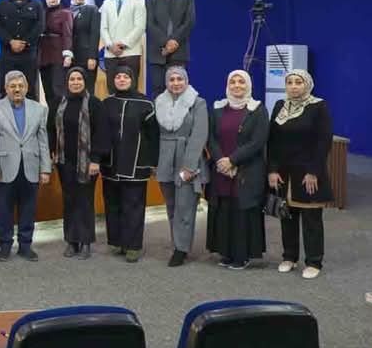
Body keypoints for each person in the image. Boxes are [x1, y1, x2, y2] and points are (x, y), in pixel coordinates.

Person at [268, 69, 333, 280]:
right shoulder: (280, 106)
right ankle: (289, 256)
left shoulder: (318, 106)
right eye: (290, 82)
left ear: (307, 85)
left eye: (298, 82)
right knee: (287, 215)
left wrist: (313, 171)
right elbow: (273, 141)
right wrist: (272, 169)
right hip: (284, 172)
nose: (294, 86)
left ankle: (314, 261)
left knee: (311, 218)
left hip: (308, 172)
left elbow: (323, 142)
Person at [206, 70, 268, 271]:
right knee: (224, 209)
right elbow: (211, 138)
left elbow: (258, 141)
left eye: (241, 82)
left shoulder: (258, 110)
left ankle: (242, 255)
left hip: (247, 170)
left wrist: (233, 160)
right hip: (221, 170)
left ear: (248, 85)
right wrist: (221, 161)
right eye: (233, 82)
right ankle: (226, 252)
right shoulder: (217, 109)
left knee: (243, 211)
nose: (237, 85)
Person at [0, 70, 51, 262]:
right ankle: (5, 246)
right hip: (5, 168)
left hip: (31, 167)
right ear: (6, 88)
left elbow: (43, 141)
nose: (17, 89)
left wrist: (45, 168)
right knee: (4, 210)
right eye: (13, 86)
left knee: (28, 210)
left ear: (27, 88)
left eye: (20, 86)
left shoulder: (39, 109)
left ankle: (25, 246)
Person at [101, 66, 158, 262]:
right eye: (118, 76)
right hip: (111, 164)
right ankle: (117, 241)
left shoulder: (146, 104)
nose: (122, 79)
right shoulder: (107, 103)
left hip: (136, 164)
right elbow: (101, 133)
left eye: (126, 76)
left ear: (133, 79)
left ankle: (133, 246)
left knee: (133, 206)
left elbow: (153, 137)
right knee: (113, 203)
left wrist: (152, 163)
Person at [50, 67, 108, 260]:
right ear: (67, 82)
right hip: (64, 161)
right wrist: (51, 151)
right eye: (72, 79)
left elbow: (101, 134)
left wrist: (96, 160)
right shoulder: (58, 103)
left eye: (79, 79)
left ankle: (86, 242)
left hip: (87, 163)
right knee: (69, 201)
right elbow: (51, 129)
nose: (75, 82)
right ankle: (71, 241)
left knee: (85, 201)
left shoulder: (94, 103)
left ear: (85, 82)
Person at [155, 66, 208, 267]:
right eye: (172, 79)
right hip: (165, 160)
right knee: (171, 206)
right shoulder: (159, 102)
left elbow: (199, 135)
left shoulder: (198, 103)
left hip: (186, 158)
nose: (176, 83)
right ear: (166, 82)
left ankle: (181, 249)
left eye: (180, 79)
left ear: (186, 81)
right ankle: (176, 242)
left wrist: (189, 166)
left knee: (185, 207)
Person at [146, 0, 196, 97]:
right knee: (158, 92)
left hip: (179, 53)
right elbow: (150, 24)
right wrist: (166, 43)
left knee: (179, 92)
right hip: (158, 54)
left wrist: (174, 41)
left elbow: (189, 22)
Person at [0, 0, 45, 98]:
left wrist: (25, 42)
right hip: (7, 53)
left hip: (29, 53)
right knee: (6, 89)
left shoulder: (36, 4)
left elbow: (40, 26)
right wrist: (10, 41)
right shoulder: (1, 4)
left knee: (30, 89)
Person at [99, 0, 146, 93]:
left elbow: (140, 27)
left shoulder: (139, 1)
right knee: (112, 90)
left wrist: (123, 44)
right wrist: (110, 45)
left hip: (130, 53)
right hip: (111, 54)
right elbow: (103, 28)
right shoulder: (106, 3)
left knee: (131, 90)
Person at [39, 0, 73, 111]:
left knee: (58, 90)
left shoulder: (66, 13)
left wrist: (67, 55)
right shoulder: (42, 13)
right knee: (48, 90)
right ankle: (52, 117)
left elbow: (68, 34)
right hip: (43, 56)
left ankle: (60, 116)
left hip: (58, 55)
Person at [69, 0, 101, 94]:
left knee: (88, 89)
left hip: (87, 57)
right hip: (71, 57)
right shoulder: (67, 11)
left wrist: (92, 57)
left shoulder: (92, 9)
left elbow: (95, 34)